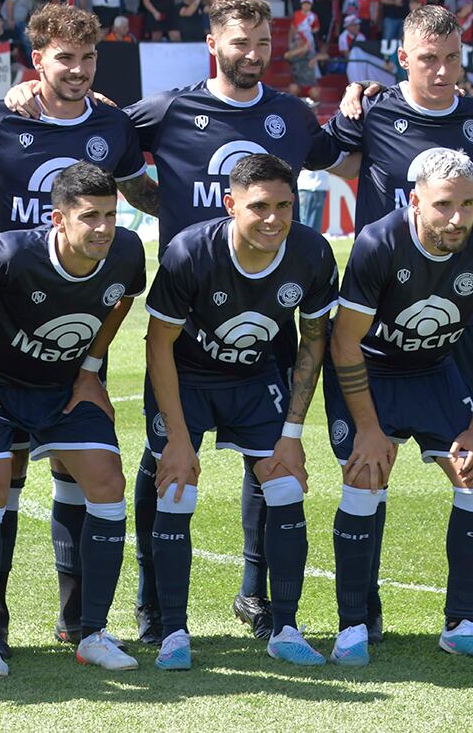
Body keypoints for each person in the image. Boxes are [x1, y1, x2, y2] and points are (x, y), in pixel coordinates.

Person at [5, 0, 343, 645]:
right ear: (213, 45)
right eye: (239, 42)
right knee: (165, 461)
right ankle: (154, 607)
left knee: (265, 458)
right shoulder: (169, 109)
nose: (252, 54)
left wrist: (357, 104)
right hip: (186, 316)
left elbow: (348, 154)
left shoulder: (293, 116)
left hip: (267, 316)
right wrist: (40, 95)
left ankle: (258, 596)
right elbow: (101, 139)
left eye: (262, 43)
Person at [0, 3, 155, 657]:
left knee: (86, 478)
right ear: (37, 61)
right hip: (1, 318)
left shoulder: (113, 125)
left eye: (87, 58)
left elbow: (129, 255)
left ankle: (82, 625)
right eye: (64, 58)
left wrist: (91, 370)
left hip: (69, 340)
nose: (77, 70)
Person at [324, 5, 473, 646]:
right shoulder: (372, 112)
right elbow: (326, 155)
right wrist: (346, 104)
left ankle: (467, 615)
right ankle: (359, 619)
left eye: (451, 59)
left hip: (446, 338)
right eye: (426, 58)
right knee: (366, 469)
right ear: (402, 58)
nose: (440, 71)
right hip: (376, 325)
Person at [143, 152, 337, 670]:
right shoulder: (190, 253)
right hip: (187, 379)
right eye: (259, 207)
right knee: (177, 489)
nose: (274, 218)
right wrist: (180, 441)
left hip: (254, 378)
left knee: (285, 483)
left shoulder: (312, 254)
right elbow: (157, 344)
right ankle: (173, 631)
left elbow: (314, 341)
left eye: (284, 206)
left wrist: (292, 433)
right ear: (231, 205)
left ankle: (286, 627)